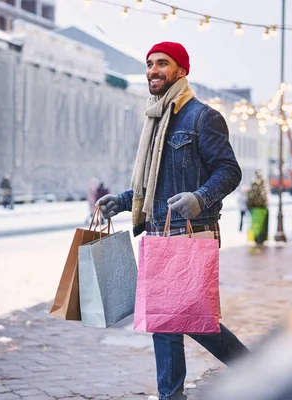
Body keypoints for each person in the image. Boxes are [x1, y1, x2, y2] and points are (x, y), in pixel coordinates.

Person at [96, 42, 248, 400]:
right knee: (166, 324)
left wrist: (200, 198)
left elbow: (229, 170)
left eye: (162, 63)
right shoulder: (156, 119)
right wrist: (120, 201)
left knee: (194, 322)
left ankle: (255, 371)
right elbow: (153, 185)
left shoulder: (202, 117)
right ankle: (172, 395)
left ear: (181, 70)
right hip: (158, 234)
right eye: (150, 64)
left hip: (190, 233)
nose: (153, 70)